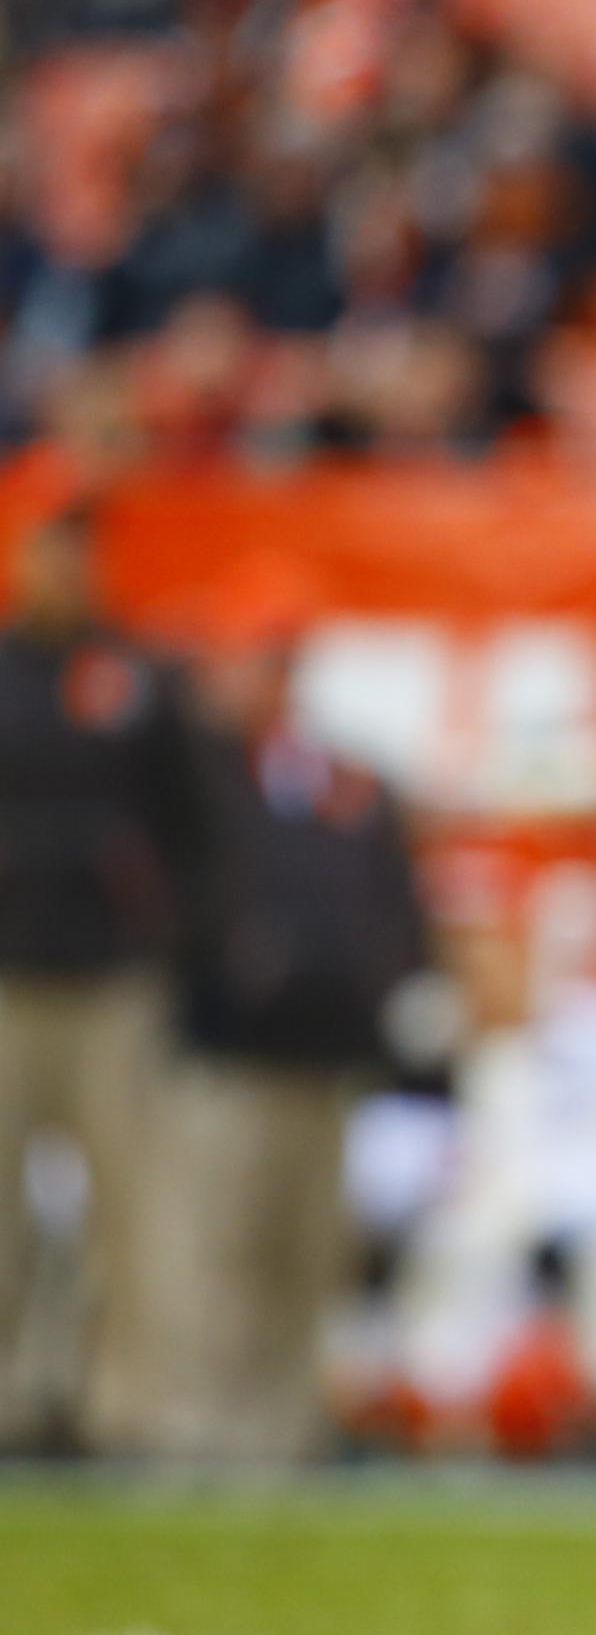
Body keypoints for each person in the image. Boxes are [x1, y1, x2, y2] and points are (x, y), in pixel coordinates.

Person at [154, 557, 434, 1465]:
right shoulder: (190, 780)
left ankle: (285, 1433)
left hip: (328, 1052)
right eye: (249, 656)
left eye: (277, 657)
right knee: (217, 1247)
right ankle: (201, 1427)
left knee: (309, 1256)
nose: (262, 676)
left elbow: (399, 906)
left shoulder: (345, 783)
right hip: (229, 1055)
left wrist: (376, 982)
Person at [0, 498, 204, 1454]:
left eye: (81, 546)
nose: (66, 565)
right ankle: (10, 1396)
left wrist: (167, 935)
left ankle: (128, 1404)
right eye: (50, 544)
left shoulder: (137, 674)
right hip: (7, 976)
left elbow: (195, 822)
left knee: (131, 1204)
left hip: (115, 982)